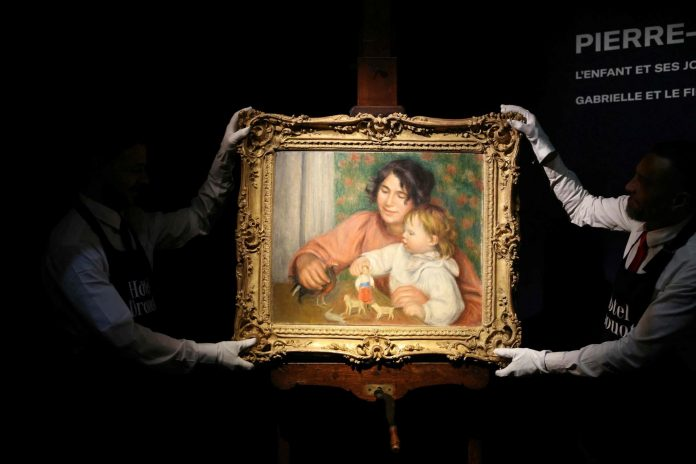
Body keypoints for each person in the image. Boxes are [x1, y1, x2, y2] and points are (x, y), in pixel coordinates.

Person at [42, 108, 257, 373]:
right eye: (134, 170)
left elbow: (197, 220)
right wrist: (211, 354)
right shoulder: (73, 244)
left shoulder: (134, 222)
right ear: (99, 166)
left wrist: (225, 154)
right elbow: (125, 336)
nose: (145, 180)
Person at [495, 104, 696, 377]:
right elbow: (582, 207)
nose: (629, 186)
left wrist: (541, 362)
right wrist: (537, 137)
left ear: (678, 201)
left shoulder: (689, 264)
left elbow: (632, 352)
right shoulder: (642, 216)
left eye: (646, 183)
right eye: (635, 175)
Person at [290, 158, 483, 326]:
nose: (389, 202)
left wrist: (428, 306)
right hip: (373, 325)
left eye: (401, 196)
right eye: (384, 190)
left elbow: (481, 307)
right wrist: (306, 261)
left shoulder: (434, 243)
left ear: (417, 200)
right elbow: (320, 252)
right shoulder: (363, 224)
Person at [350, 204, 464, 325]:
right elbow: (382, 257)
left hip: (423, 326)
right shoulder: (401, 251)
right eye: (405, 230)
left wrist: (424, 311)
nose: (404, 235)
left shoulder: (437, 272)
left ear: (431, 240)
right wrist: (366, 261)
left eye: (411, 233)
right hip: (400, 316)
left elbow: (450, 307)